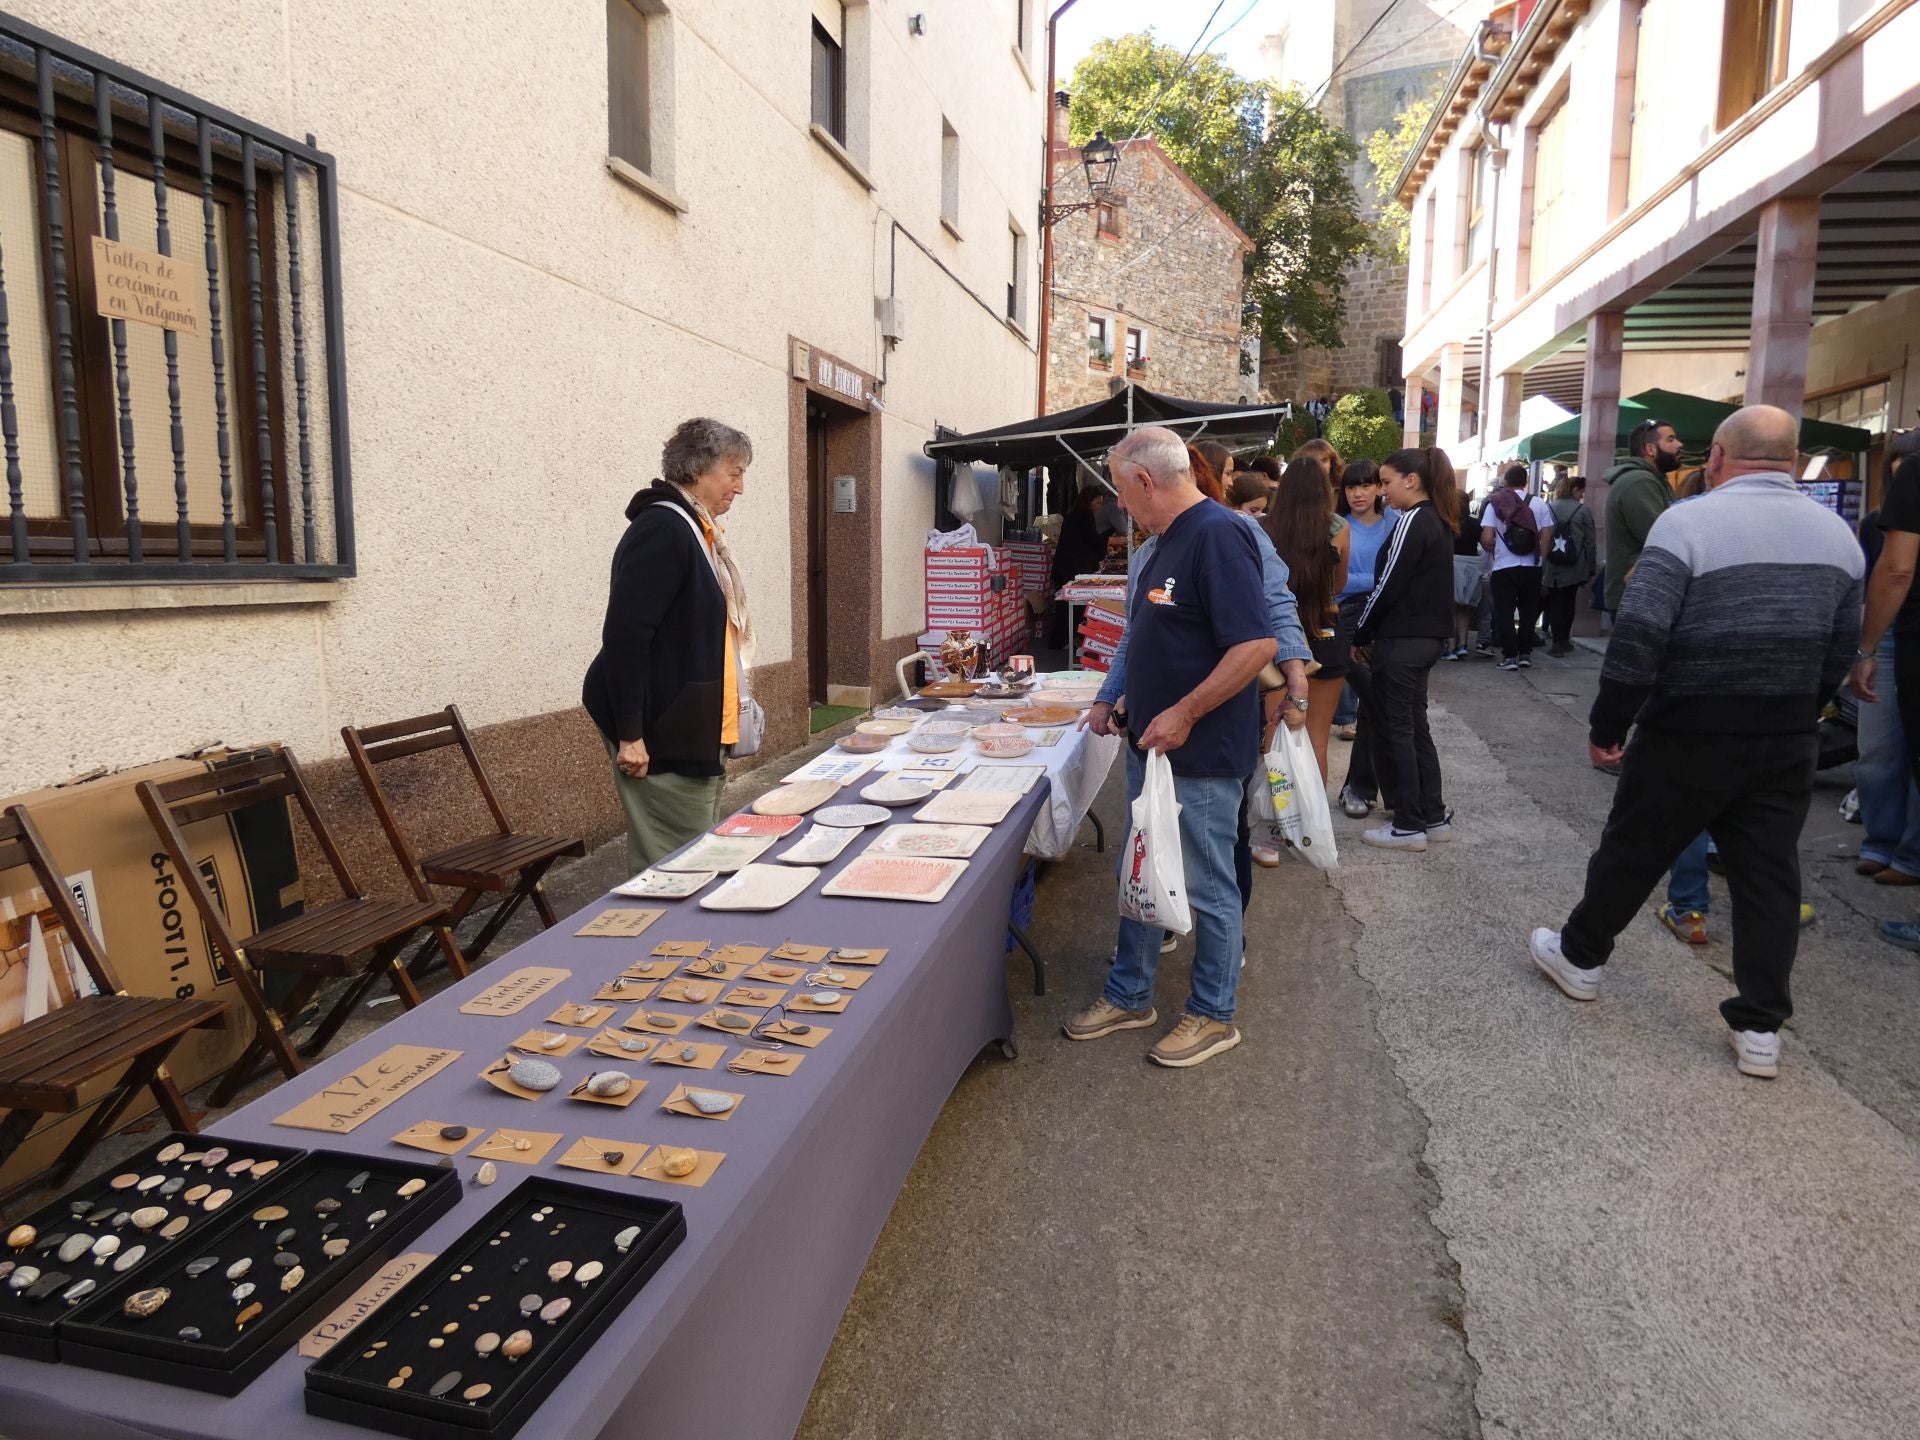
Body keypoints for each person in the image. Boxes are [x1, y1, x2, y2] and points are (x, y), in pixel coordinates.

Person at [1529, 406, 1864, 1080]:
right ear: (1794, 462)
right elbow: (1840, 647)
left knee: (1632, 850)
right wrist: (1801, 708)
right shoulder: (1840, 539)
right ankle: (1761, 1027)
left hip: (1688, 727)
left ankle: (1582, 958)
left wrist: (1606, 727)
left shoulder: (1686, 524)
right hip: (1785, 734)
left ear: (1715, 458)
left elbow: (1639, 639)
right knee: (1768, 874)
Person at [1068, 428, 1287, 1068]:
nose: (1118, 505)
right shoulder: (1164, 543)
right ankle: (1131, 994)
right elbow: (1147, 635)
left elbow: (1256, 647)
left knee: (1207, 885)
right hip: (1154, 746)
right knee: (1141, 868)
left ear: (1144, 481)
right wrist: (1113, 697)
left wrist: (1186, 712)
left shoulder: (1218, 536)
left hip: (1202, 750)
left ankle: (1214, 1015)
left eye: (1120, 490)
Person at [584, 417, 757, 872]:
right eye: (734, 473)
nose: (739, 487)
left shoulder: (695, 530)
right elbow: (625, 636)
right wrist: (630, 734)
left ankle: (677, 938)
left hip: (690, 726)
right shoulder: (663, 528)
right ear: (698, 470)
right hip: (659, 730)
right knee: (673, 861)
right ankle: (661, 941)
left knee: (692, 848)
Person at [1352, 447, 1460, 850]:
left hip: (1403, 641)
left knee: (1399, 731)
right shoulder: (1437, 519)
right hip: (1425, 639)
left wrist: (1360, 633)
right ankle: (1431, 816)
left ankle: (1409, 823)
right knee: (1415, 729)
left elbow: (1387, 585)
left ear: (1410, 481)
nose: (1381, 491)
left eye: (1385, 481)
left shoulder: (1413, 520)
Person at [1848, 428, 1920, 949]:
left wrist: (1865, 650)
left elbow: (1896, 569)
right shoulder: (1875, 521)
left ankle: (1908, 854)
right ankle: (1881, 841)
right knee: (1878, 745)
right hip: (1894, 633)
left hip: (1902, 632)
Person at [1262, 455, 1348, 785]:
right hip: (1325, 629)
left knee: (1275, 734)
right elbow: (1338, 585)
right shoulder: (1338, 527)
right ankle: (1313, 827)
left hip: (1278, 636)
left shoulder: (1264, 528)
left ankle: (1279, 825)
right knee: (1317, 740)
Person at [1602, 417, 1683, 613]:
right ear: (1650, 449)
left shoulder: (1652, 480)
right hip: (1639, 598)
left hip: (1644, 593)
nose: (1680, 444)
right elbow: (1662, 538)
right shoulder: (1639, 482)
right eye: (1671, 440)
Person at [1334, 461, 1389, 739]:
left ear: (1379, 488)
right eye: (1351, 487)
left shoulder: (1394, 524)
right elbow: (1335, 579)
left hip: (1385, 607)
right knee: (1348, 662)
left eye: (1366, 485)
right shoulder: (1337, 525)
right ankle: (1347, 717)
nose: (1358, 493)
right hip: (1347, 606)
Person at [1481, 463, 1554, 671]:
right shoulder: (1539, 504)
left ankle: (1510, 656)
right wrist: (1539, 559)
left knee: (1504, 612)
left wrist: (1498, 550)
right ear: (1525, 483)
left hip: (1504, 567)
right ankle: (1525, 654)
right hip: (1532, 567)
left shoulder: (1495, 503)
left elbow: (1487, 537)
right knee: (1529, 612)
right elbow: (1547, 536)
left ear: (1506, 482)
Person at [1047, 483, 1109, 648]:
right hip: (1072, 569)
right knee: (1069, 606)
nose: (1099, 507)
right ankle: (1065, 640)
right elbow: (1092, 539)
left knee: (1064, 606)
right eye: (1097, 503)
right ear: (1089, 502)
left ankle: (1063, 639)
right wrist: (1110, 539)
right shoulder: (1084, 515)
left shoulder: (1075, 514)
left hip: (1066, 567)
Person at [1541, 474, 1595, 657]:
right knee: (1569, 601)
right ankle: (1564, 640)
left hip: (1552, 563)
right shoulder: (1583, 510)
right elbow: (1590, 541)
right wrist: (1590, 566)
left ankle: (1556, 641)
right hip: (1575, 564)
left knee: (1555, 602)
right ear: (1574, 490)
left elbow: (1543, 536)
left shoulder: (1548, 508)